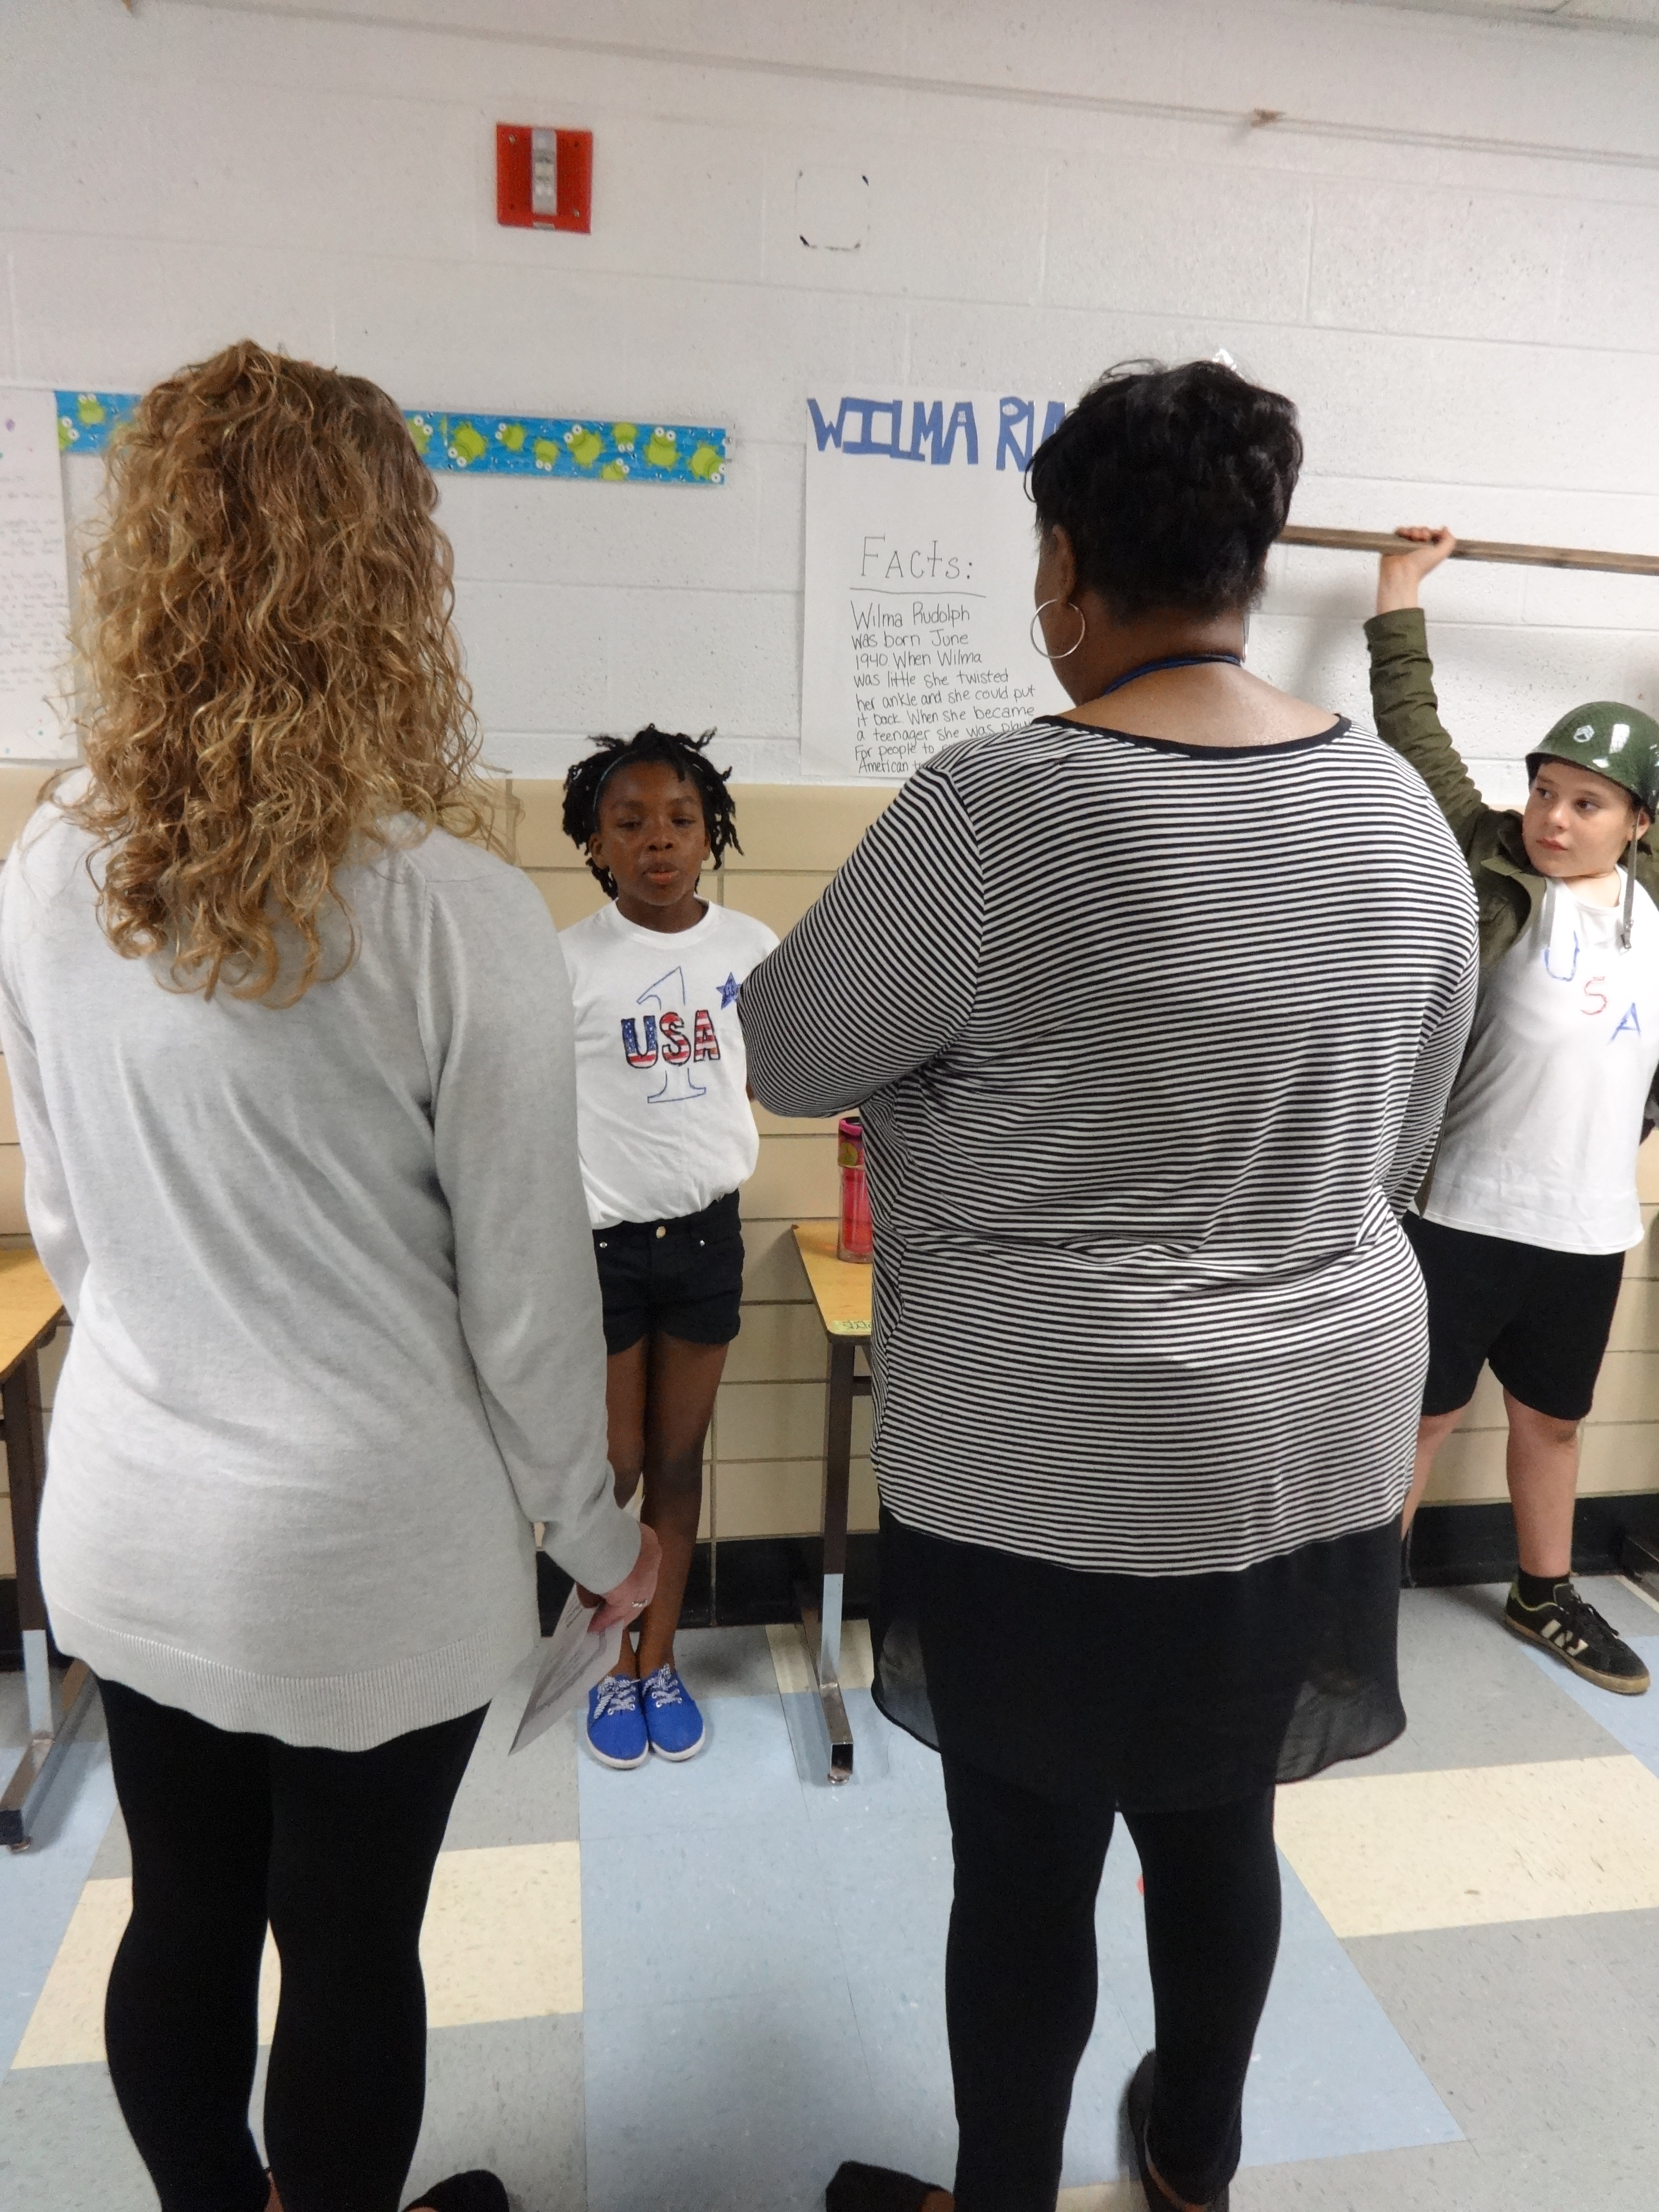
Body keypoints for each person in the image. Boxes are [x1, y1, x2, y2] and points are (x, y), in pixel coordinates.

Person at [742, 359, 1478, 2212]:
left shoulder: (999, 805)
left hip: (1046, 1439)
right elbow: (1410, 1125)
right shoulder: (1395, 811)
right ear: (1248, 556)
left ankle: (1002, 2188)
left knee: (1025, 1850)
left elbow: (790, 1046)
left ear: (1064, 561)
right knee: (1219, 1816)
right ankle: (1190, 2158)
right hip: (1306, 1422)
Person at [0, 342, 658, 2212]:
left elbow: (70, 1222)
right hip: (376, 1550)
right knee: (353, 1940)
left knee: (180, 1912)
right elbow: (529, 1310)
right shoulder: (452, 909)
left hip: (134, 1510)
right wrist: (600, 1542)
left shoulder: (52, 862)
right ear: (391, 574)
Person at [1370, 526, 1659, 1693]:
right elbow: (1414, 732)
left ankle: (1544, 1593)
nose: (1554, 818)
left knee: (1552, 1423)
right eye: (1545, 791)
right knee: (1417, 1422)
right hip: (1461, 1216)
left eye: (1587, 803)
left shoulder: (1653, 905)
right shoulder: (1488, 860)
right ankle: (1348, 1622)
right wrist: (1399, 590)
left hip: (1587, 1228)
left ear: (1639, 822)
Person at [558, 728, 778, 1767]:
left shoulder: (752, 949)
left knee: (679, 1463)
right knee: (615, 1468)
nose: (658, 840)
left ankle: (659, 1658)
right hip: (600, 1254)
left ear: (709, 833)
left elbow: (767, 1075)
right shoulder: (567, 962)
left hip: (705, 1241)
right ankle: (605, 1665)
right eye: (631, 822)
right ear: (596, 843)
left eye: (681, 820)